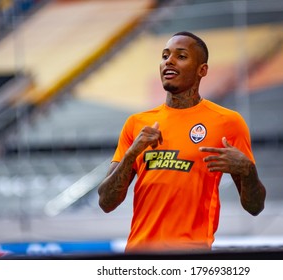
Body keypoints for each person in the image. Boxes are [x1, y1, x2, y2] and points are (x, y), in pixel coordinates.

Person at [98, 31, 266, 252]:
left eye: (181, 56)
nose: (169, 60)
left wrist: (248, 171)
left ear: (202, 70)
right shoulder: (137, 123)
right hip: (138, 260)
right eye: (165, 55)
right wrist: (131, 155)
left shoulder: (227, 122)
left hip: (191, 257)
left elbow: (255, 207)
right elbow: (106, 202)